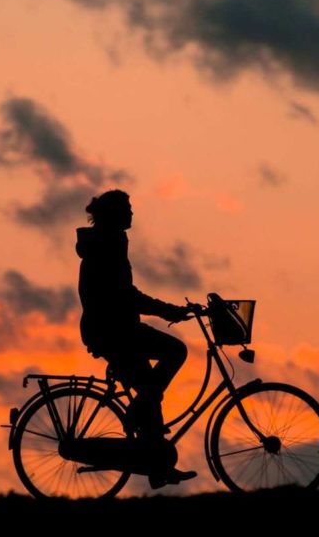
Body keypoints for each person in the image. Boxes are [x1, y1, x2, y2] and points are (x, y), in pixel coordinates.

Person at [75, 189, 197, 488]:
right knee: (175, 351)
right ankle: (137, 414)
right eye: (127, 209)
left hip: (115, 329)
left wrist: (167, 310)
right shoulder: (107, 244)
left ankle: (158, 467)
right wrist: (168, 310)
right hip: (113, 331)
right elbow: (125, 296)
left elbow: (125, 295)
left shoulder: (108, 242)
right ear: (115, 215)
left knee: (149, 390)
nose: (132, 214)